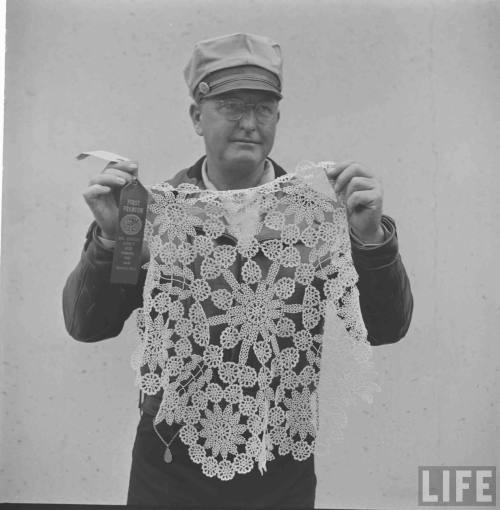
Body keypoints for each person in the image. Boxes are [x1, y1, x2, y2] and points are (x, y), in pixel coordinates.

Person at [63, 33, 413, 508]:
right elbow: (89, 325)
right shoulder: (151, 217)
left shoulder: (316, 217)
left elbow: (385, 327)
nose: (249, 123)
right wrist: (110, 240)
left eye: (264, 108)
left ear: (277, 117)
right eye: (231, 106)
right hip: (168, 476)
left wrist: (370, 242)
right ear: (196, 116)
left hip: (281, 476)